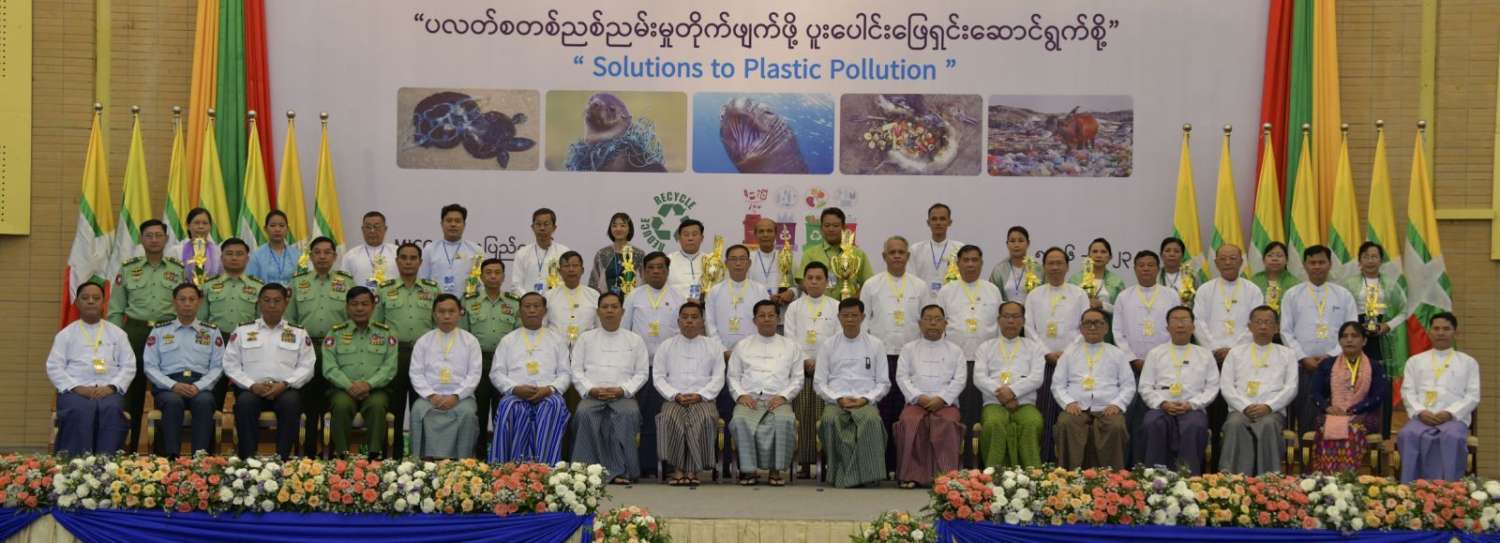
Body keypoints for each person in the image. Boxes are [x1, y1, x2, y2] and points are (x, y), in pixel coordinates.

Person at [108, 219, 183, 453]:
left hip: (167, 333)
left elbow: (186, 304)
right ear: (141, 239)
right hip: (135, 332)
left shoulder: (178, 270)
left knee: (167, 390)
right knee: (132, 390)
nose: (154, 240)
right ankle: (126, 450)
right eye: (149, 235)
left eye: (158, 235)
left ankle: (163, 452)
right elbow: (116, 309)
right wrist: (117, 341)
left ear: (166, 239)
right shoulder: (128, 269)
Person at [860, 236, 929, 469]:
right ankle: (880, 464)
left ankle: (903, 465)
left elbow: (926, 320)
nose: (897, 256)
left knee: (906, 411)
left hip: (911, 356)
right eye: (892, 252)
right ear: (884, 256)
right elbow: (863, 322)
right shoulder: (871, 285)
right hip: (881, 356)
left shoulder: (920, 286)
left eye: (901, 252)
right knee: (882, 411)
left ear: (908, 256)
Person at [224, 284, 315, 458]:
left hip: (285, 389)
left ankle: (283, 460)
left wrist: (285, 384)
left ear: (286, 303)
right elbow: (230, 364)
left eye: (277, 301)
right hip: (252, 389)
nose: (272, 305)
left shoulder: (298, 332)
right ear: (259, 302)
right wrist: (251, 385)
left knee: (291, 403)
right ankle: (248, 461)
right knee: (244, 403)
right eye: (267, 300)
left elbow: (307, 366)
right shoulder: (243, 330)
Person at [571, 292, 650, 483]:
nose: (609, 311)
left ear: (622, 312)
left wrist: (623, 390)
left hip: (623, 396)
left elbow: (641, 373)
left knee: (628, 414)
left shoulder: (635, 340)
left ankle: (622, 471)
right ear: (598, 311)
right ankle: (586, 471)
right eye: (605, 307)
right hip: (592, 395)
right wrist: (591, 389)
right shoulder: (585, 338)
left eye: (614, 307)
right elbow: (576, 370)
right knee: (584, 414)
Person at [48, 281, 135, 455]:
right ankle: (75, 463)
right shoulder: (66, 334)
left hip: (108, 391)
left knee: (111, 409)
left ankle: (108, 463)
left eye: (96, 298)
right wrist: (77, 388)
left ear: (103, 302)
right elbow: (54, 366)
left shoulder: (118, 334)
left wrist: (111, 387)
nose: (90, 301)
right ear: (77, 302)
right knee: (80, 409)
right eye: (85, 298)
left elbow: (129, 365)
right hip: (75, 392)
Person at [1281, 245, 1358, 435]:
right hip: (1303, 365)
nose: (1317, 266)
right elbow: (1286, 331)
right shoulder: (1292, 294)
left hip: (1337, 364)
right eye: (1312, 262)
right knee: (1305, 413)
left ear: (1329, 264)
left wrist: (1331, 355)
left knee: (1336, 414)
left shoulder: (1343, 295)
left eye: (1321, 262)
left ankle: (1333, 452)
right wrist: (1302, 357)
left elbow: (1352, 330)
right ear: (1305, 265)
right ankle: (1306, 450)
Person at [374, 243, 441, 459]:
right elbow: (377, 327)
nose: (408, 262)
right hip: (394, 355)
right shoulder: (384, 289)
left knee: (422, 407)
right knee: (393, 408)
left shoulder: (432, 290)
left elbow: (439, 327)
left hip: (424, 357)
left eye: (413, 258)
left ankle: (420, 457)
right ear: (397, 261)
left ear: (420, 262)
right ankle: (391, 457)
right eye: (404, 258)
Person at [1112, 250, 1180, 463]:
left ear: (1157, 268)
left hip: (1163, 365)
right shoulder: (1124, 296)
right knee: (1130, 413)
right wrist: (1132, 358)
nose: (1146, 269)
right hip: (1132, 365)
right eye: (1141, 265)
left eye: (1150, 265)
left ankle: (1155, 462)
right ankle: (1129, 463)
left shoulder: (1171, 295)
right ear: (1134, 269)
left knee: (1156, 414)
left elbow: (1176, 327)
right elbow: (1117, 331)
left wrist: (1156, 360)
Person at [286, 236, 351, 457]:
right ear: (310, 256)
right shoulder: (298, 282)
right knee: (308, 403)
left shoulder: (347, 282)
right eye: (317, 252)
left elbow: (353, 317)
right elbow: (290, 321)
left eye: (327, 252)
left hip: (338, 350)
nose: (322, 256)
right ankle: (308, 454)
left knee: (333, 402)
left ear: (335, 256)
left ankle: (333, 455)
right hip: (307, 349)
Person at [489, 293, 571, 465]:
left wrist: (550, 389)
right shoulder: (508, 340)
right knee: (510, 406)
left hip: (547, 393)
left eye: (536, 306)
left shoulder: (557, 339)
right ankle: (506, 466)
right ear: (520, 311)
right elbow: (496, 373)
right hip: (516, 394)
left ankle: (546, 467)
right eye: (527, 307)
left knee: (553, 405)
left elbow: (565, 373)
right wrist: (514, 388)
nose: (532, 310)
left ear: (544, 311)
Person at [1024, 247, 1089, 462]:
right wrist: (1046, 353)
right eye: (1050, 263)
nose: (1055, 267)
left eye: (1059, 263)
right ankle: (1042, 460)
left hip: (1071, 363)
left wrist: (1066, 354)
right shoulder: (1034, 295)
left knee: (1068, 412)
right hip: (1042, 362)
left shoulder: (1079, 294)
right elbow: (1029, 328)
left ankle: (1065, 462)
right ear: (1044, 267)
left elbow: (1085, 327)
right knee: (1043, 410)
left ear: (1067, 267)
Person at [143, 283, 224, 457]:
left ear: (199, 302)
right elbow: (150, 366)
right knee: (173, 402)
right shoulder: (159, 331)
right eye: (182, 299)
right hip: (168, 388)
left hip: (200, 386)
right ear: (174, 302)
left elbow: (218, 366)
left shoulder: (211, 332)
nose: (187, 303)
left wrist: (199, 386)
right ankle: (170, 459)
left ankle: (200, 460)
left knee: (204, 402)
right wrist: (173, 385)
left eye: (192, 299)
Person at [816, 299, 890, 488]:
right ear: (839, 317)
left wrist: (866, 399)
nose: (850, 319)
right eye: (845, 315)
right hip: (836, 401)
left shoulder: (876, 344)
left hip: (865, 401)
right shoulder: (828, 345)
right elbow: (819, 383)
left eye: (854, 315)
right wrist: (837, 399)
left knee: (872, 421)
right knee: (829, 420)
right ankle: (840, 473)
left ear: (863, 317)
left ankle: (864, 475)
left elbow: (883, 382)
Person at [1137, 306, 1220, 474]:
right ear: (1167, 327)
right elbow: (1145, 386)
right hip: (1161, 407)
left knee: (1194, 426)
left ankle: (1189, 479)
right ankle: (1155, 478)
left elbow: (1212, 387)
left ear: (1193, 327)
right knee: (1152, 423)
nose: (1180, 325)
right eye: (1175, 320)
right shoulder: (1155, 353)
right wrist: (1162, 403)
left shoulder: (1205, 354)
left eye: (1185, 320)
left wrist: (1192, 404)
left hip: (1192, 408)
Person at [936, 244, 1000, 460]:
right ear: (958, 264)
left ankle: (980, 462)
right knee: (959, 411)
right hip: (956, 361)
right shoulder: (947, 291)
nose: (970, 264)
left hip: (986, 362)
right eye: (966, 260)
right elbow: (939, 325)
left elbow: (999, 326)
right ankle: (956, 460)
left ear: (982, 263)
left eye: (975, 260)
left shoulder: (992, 290)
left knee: (983, 412)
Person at [621, 252, 682, 477]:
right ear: (643, 272)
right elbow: (625, 330)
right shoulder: (633, 296)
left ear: (667, 271)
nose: (656, 271)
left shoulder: (678, 297)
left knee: (667, 416)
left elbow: (682, 332)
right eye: (651, 268)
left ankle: (669, 463)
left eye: (660, 267)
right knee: (646, 415)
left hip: (669, 369)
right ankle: (646, 465)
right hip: (642, 367)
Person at [728, 301, 802, 486]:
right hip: (749, 398)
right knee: (740, 420)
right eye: (762, 315)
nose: (767, 319)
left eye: (771, 315)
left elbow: (797, 378)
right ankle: (749, 471)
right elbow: (733, 376)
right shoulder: (742, 345)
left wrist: (784, 396)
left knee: (784, 421)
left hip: (778, 399)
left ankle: (775, 471)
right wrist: (741, 395)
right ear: (754, 320)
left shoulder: (791, 346)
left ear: (779, 319)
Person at [1218, 305, 1299, 475]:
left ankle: (1269, 479)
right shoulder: (1235, 353)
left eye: (1268, 322)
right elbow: (1226, 386)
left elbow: (1291, 388)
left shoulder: (1288, 354)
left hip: (1272, 412)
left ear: (1276, 328)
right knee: (1234, 424)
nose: (1263, 327)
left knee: (1268, 423)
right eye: (1258, 322)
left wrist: (1268, 406)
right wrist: (1244, 406)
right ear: (1250, 326)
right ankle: (1233, 479)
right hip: (1240, 410)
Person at [1398, 312, 1478, 482]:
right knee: (1407, 434)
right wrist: (1420, 411)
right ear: (1430, 332)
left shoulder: (1468, 362)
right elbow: (1407, 391)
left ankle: (1450, 490)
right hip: (1422, 418)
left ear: (1455, 332)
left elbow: (1473, 396)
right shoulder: (1414, 361)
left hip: (1453, 420)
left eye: (1446, 329)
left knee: (1453, 438)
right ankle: (1411, 488)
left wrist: (1450, 413)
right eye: (1436, 328)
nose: (1441, 333)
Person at [653, 302, 727, 486]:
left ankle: (694, 470)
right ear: (678, 322)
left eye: (694, 317)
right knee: (669, 417)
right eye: (685, 317)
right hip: (674, 399)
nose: (689, 321)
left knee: (703, 418)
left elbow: (718, 377)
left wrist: (700, 395)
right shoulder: (666, 346)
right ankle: (678, 469)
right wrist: (675, 395)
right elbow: (658, 377)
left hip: (703, 399)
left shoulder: (713, 346)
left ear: (702, 322)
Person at [1050, 308, 1134, 469]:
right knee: (1066, 422)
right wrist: (1068, 403)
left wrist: (1117, 404)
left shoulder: (1117, 353)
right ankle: (1070, 475)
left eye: (1098, 323)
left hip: (1107, 407)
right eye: (1088, 323)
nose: (1093, 327)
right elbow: (1058, 385)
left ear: (1106, 328)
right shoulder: (1069, 353)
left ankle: (1112, 477)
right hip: (1076, 407)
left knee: (1116, 426)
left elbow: (1128, 385)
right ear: (1081, 328)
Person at [892, 305, 966, 488]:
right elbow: (902, 377)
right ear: (920, 323)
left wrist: (942, 399)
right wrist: (918, 397)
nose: (933, 323)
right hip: (916, 402)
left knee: (948, 423)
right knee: (909, 421)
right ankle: (910, 476)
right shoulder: (908, 349)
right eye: (928, 319)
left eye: (938, 319)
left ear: (945, 323)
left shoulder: (956, 350)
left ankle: (946, 477)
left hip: (946, 403)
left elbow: (960, 379)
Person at [323, 286, 398, 457]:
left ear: (373, 306)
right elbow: (329, 367)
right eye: (354, 304)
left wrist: (368, 384)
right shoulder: (335, 333)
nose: (359, 308)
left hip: (375, 390)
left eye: (364, 304)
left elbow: (389, 367)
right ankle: (342, 455)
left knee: (377, 405)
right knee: (341, 405)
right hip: (343, 389)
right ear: (347, 307)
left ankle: (373, 455)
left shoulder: (386, 333)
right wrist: (349, 386)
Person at [408, 294, 483, 459]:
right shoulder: (424, 341)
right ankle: (419, 461)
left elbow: (474, 374)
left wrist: (456, 396)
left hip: (462, 398)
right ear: (434, 314)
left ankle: (463, 463)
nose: (446, 316)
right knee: (418, 410)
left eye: (451, 311)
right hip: (429, 397)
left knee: (467, 414)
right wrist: (431, 395)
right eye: (441, 312)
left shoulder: (470, 341)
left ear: (460, 313)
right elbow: (416, 373)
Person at [975, 302, 1047, 468]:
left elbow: (1036, 378)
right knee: (994, 423)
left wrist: (1013, 392)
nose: (1011, 321)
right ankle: (994, 474)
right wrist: (1003, 396)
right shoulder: (986, 347)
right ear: (998, 320)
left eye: (1015, 317)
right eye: (1006, 316)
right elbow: (979, 377)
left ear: (1023, 321)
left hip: (1024, 403)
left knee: (1033, 422)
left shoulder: (1034, 347)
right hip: (994, 402)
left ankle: (1030, 474)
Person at [1309, 322, 1388, 473]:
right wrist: (1327, 407)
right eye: (1344, 336)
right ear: (1339, 341)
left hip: (1364, 414)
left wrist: (1356, 409)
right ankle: (1327, 478)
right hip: (1332, 413)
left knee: (1352, 430)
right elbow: (1315, 393)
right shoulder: (1327, 365)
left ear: (1364, 341)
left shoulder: (1375, 366)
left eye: (1354, 336)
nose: (1349, 340)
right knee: (1328, 428)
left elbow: (1378, 396)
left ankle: (1347, 478)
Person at [784, 262, 840, 475]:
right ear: (804, 282)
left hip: (827, 371)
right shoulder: (794, 307)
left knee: (825, 415)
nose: (814, 282)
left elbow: (837, 339)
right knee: (803, 414)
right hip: (801, 369)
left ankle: (827, 463)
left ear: (827, 282)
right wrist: (806, 360)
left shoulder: (836, 306)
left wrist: (820, 363)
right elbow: (790, 338)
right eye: (810, 278)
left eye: (819, 278)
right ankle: (805, 464)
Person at [462, 258, 520, 458]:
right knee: (478, 411)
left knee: (501, 411)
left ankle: (500, 456)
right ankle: (477, 458)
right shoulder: (469, 301)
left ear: (503, 276)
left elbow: (518, 335)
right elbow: (463, 335)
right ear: (481, 276)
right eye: (488, 272)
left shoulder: (514, 302)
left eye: (497, 272)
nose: (493, 276)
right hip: (478, 362)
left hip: (505, 364)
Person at [705, 244, 768, 425]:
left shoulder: (760, 290)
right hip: (722, 356)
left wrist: (748, 351)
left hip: (751, 356)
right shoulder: (715, 291)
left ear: (749, 263)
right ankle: (724, 443)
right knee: (724, 404)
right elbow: (710, 323)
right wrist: (723, 350)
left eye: (742, 259)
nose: (738, 263)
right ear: (726, 263)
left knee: (748, 402)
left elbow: (763, 321)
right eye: (733, 259)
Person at [1342, 242, 1407, 377]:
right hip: (1355, 332)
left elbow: (1404, 311)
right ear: (1359, 261)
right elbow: (1341, 311)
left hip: (1383, 334)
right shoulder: (1349, 284)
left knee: (1379, 374)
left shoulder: (1391, 284)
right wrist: (1355, 327)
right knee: (1356, 373)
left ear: (1380, 260)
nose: (1370, 261)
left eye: (1374, 257)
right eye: (1366, 257)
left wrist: (1388, 325)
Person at [1193, 244, 1265, 362]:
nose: (1228, 262)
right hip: (1211, 356)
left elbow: (1256, 322)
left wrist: (1236, 350)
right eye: (1223, 259)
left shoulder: (1253, 290)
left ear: (1241, 261)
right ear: (1216, 263)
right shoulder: (1205, 290)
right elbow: (1198, 322)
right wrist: (1214, 349)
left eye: (1232, 258)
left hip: (1244, 355)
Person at [796, 208, 873, 294]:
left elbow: (869, 284)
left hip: (849, 302)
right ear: (821, 228)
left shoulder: (858, 254)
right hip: (819, 302)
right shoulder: (810, 254)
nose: (831, 229)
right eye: (827, 225)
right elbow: (801, 281)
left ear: (844, 228)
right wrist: (818, 296)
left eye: (835, 225)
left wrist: (854, 299)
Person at [199, 238, 263, 336]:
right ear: (221, 258)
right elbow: (201, 318)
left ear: (247, 259)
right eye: (229, 254)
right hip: (216, 338)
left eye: (239, 254)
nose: (234, 258)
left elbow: (261, 319)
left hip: (247, 338)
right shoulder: (208, 285)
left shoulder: (258, 287)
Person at [421, 204, 484, 297]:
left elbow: (480, 283)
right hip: (436, 303)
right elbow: (423, 281)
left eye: (458, 221)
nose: (453, 224)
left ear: (464, 225)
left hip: (466, 303)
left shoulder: (476, 250)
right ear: (442, 224)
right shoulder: (429, 250)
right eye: (449, 220)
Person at [544, 251, 600, 348]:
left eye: (575, 266)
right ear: (559, 271)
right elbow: (543, 326)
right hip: (556, 349)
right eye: (566, 266)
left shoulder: (594, 295)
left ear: (582, 270)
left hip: (586, 348)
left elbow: (599, 327)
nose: (571, 269)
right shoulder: (549, 296)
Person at [509, 208, 571, 296]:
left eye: (546, 224)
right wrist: (531, 300)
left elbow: (569, 281)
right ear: (532, 227)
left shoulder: (564, 252)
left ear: (554, 228)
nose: (542, 228)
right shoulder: (522, 253)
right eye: (538, 224)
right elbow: (516, 285)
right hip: (529, 303)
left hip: (556, 302)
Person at [908, 203, 965, 294]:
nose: (938, 223)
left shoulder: (959, 249)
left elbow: (965, 279)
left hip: (951, 299)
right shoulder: (915, 250)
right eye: (934, 219)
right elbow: (910, 279)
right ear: (928, 222)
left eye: (942, 219)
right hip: (922, 299)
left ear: (949, 222)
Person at [588, 212, 647, 295]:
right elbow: (593, 283)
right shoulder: (602, 254)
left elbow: (645, 282)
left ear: (630, 229)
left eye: (623, 225)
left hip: (632, 301)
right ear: (610, 229)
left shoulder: (638, 254)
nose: (618, 229)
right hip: (607, 301)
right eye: (614, 226)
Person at [1067, 238, 1127, 315]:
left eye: (1103, 252)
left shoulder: (1117, 282)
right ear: (1088, 256)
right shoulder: (1075, 279)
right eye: (1095, 252)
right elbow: (1067, 305)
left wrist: (1102, 305)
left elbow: (1122, 310)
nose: (1098, 255)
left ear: (1109, 257)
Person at [341, 211, 399, 290]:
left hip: (392, 297)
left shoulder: (397, 252)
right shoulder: (351, 255)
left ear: (385, 229)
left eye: (377, 227)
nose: (372, 231)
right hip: (360, 297)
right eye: (368, 227)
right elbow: (343, 284)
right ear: (362, 229)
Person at [749, 217, 797, 306]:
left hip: (781, 310)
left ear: (776, 234)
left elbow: (799, 286)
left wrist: (792, 292)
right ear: (755, 234)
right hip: (754, 309)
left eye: (769, 231)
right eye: (761, 231)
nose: (765, 235)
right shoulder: (748, 258)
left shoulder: (786, 256)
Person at [245, 210, 300, 286]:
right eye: (273, 225)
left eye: (281, 226)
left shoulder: (297, 254)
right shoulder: (256, 255)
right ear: (265, 229)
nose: (277, 229)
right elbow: (251, 283)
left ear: (287, 229)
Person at [988, 226, 1038, 303]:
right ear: (1007, 244)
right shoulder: (999, 270)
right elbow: (992, 298)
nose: (1016, 245)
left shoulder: (1038, 269)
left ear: (1028, 243)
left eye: (1021, 241)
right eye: (1012, 241)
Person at [1249, 241, 1299, 313]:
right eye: (1270, 255)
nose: (1274, 259)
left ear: (1287, 260)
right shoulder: (1253, 281)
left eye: (1279, 256)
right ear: (1263, 260)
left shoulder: (1295, 283)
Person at [174, 208, 221, 283]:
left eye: (205, 223)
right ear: (188, 226)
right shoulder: (177, 251)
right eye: (196, 223)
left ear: (210, 226)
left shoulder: (219, 252)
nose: (201, 226)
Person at [667, 219, 709, 301]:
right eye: (686, 235)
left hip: (704, 307)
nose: (690, 238)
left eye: (694, 234)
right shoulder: (668, 260)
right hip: (675, 308)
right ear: (679, 238)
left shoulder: (710, 261)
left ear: (702, 238)